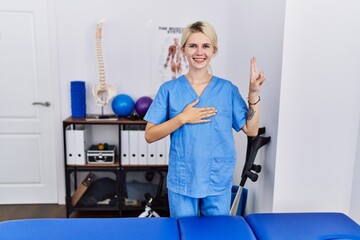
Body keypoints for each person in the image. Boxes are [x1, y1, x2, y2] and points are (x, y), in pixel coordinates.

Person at [144, 21, 265, 218]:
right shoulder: (169, 90)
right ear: (183, 49)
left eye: (206, 46)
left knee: (215, 236)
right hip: (183, 180)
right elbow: (149, 135)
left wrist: (253, 94)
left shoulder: (227, 90)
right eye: (193, 45)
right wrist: (182, 118)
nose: (199, 52)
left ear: (214, 50)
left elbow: (251, 129)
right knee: (184, 234)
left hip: (217, 179)